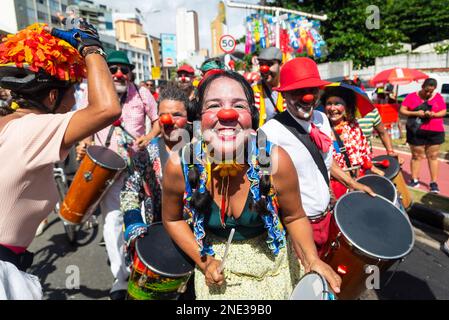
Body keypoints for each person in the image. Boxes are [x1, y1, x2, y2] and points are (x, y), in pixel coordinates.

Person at [162, 70, 341, 300]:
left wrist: (311, 259)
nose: (227, 114)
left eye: (238, 106)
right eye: (214, 105)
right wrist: (203, 261)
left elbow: (294, 217)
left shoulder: (277, 161)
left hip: (274, 276)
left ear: (252, 117)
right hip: (217, 279)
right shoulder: (180, 164)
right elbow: (172, 218)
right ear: (198, 117)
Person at [0, 22, 121, 299]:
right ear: (53, 96)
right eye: (72, 96)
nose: (75, 106)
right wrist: (91, 47)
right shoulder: (30, 129)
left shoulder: (9, 124)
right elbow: (107, 108)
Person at [260, 58, 375, 257]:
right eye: (297, 92)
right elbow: (261, 185)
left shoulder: (322, 120)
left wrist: (352, 183)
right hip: (297, 227)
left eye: (312, 90)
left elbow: (326, 162)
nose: (307, 97)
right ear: (284, 95)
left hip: (327, 217)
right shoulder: (269, 133)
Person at [76, 50, 160, 300]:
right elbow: (85, 126)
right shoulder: (94, 93)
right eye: (113, 69)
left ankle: (144, 265)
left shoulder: (142, 93)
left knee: (144, 217)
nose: (119, 74)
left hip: (138, 169)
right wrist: (84, 143)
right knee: (112, 221)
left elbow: (156, 121)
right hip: (106, 170)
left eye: (124, 69)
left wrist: (149, 136)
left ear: (131, 72)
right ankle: (121, 277)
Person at [321, 85, 385, 199]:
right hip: (335, 186)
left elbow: (364, 153)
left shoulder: (354, 126)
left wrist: (372, 168)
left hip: (359, 180)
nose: (332, 108)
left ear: (346, 107)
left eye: (337, 103)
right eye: (329, 103)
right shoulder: (321, 129)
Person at [400, 78, 447, 193]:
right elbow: (402, 110)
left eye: (431, 91)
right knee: (416, 156)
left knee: (433, 156)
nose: (428, 93)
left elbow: (443, 111)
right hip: (416, 131)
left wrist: (433, 114)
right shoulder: (411, 96)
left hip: (434, 131)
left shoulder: (438, 97)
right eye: (426, 90)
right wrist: (415, 113)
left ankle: (433, 183)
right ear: (422, 87)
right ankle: (414, 179)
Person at [252, 47, 285, 127]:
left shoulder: (289, 90)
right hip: (262, 137)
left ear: (280, 65)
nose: (264, 69)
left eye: (269, 64)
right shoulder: (253, 90)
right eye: (261, 64)